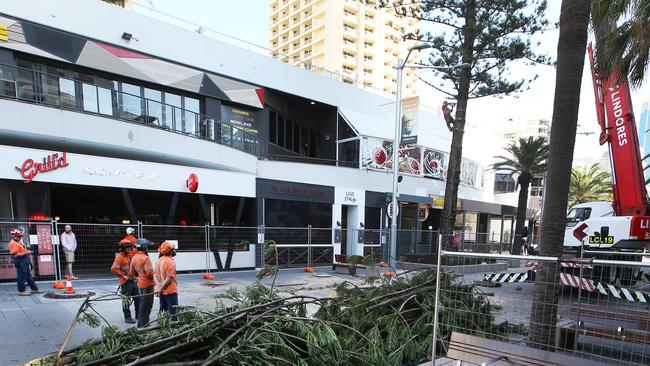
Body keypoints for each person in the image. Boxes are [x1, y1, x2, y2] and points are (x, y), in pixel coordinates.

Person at [111, 239, 139, 324]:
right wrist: (123, 276)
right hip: (125, 282)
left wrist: (133, 276)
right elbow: (113, 268)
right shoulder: (120, 257)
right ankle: (128, 317)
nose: (129, 249)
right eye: (127, 248)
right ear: (122, 248)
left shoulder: (127, 255)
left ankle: (138, 315)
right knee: (126, 300)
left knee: (137, 297)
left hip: (131, 280)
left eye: (130, 247)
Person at [9, 228, 42, 296]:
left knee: (28, 276)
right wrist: (27, 253)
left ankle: (34, 289)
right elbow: (16, 254)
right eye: (19, 236)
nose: (20, 237)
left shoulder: (18, 241)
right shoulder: (13, 243)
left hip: (24, 260)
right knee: (21, 276)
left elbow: (22, 250)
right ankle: (21, 291)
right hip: (20, 261)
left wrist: (27, 252)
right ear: (14, 236)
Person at [130, 238, 154, 328]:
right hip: (148, 284)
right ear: (144, 248)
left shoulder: (134, 257)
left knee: (142, 303)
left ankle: (141, 322)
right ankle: (144, 323)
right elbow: (149, 273)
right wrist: (154, 276)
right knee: (147, 304)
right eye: (147, 247)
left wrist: (139, 276)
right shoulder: (145, 258)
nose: (148, 249)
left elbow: (132, 273)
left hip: (140, 283)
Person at [154, 241, 178, 321]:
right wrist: (160, 289)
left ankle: (161, 324)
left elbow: (155, 275)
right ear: (171, 251)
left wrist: (159, 288)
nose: (175, 251)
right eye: (174, 249)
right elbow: (169, 279)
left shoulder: (159, 260)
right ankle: (174, 327)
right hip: (170, 291)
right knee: (173, 311)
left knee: (163, 309)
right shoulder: (170, 262)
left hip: (162, 291)